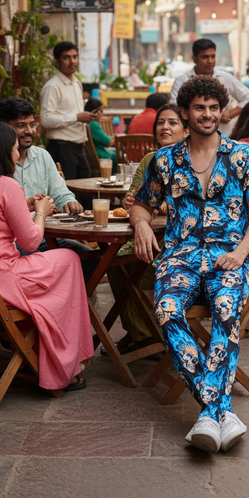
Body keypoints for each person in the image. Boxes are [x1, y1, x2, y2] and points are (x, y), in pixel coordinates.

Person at [130, 76, 249, 453]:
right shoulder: (164, 160)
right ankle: (217, 411)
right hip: (180, 256)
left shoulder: (244, 156)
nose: (207, 115)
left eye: (213, 108)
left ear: (222, 111)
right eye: (199, 108)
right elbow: (141, 204)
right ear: (185, 112)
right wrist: (141, 224)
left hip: (230, 256)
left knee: (226, 310)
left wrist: (241, 254)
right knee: (166, 310)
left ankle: (210, 415)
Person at [0, 121, 94, 391]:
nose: (18, 155)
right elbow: (31, 239)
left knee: (54, 269)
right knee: (69, 260)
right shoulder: (6, 184)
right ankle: (66, 362)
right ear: (2, 152)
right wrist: (41, 212)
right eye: (15, 149)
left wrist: (23, 205)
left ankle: (39, 352)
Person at [105, 104, 188, 355]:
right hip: (145, 231)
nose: (165, 127)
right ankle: (141, 332)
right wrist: (131, 202)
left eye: (172, 123)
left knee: (146, 261)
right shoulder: (149, 160)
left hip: (178, 240)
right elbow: (133, 196)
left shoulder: (191, 161)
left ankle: (151, 333)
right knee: (114, 258)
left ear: (186, 131)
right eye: (161, 122)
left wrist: (158, 205)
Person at [0, 97, 100, 283]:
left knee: (92, 259)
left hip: (45, 237)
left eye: (32, 124)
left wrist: (69, 202)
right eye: (21, 125)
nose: (29, 131)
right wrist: (38, 211)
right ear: (4, 128)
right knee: (70, 261)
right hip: (12, 245)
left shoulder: (42, 156)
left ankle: (65, 307)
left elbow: (60, 192)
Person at [169, 38, 249, 137]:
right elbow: (174, 109)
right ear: (194, 58)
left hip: (223, 135)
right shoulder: (182, 80)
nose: (210, 61)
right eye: (205, 57)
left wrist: (230, 113)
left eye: (213, 56)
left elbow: (248, 98)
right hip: (192, 137)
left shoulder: (225, 78)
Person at [40, 41, 98, 180]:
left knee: (86, 194)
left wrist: (89, 117)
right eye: (66, 57)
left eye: (75, 57)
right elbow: (45, 120)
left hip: (79, 147)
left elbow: (74, 113)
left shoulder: (77, 83)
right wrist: (77, 117)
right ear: (57, 61)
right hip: (62, 148)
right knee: (67, 197)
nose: (72, 61)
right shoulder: (52, 86)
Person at [83, 97, 117, 172]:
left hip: (92, 156)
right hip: (98, 156)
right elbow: (108, 142)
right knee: (120, 155)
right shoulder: (93, 124)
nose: (102, 114)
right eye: (101, 111)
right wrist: (118, 138)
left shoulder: (87, 123)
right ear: (96, 112)